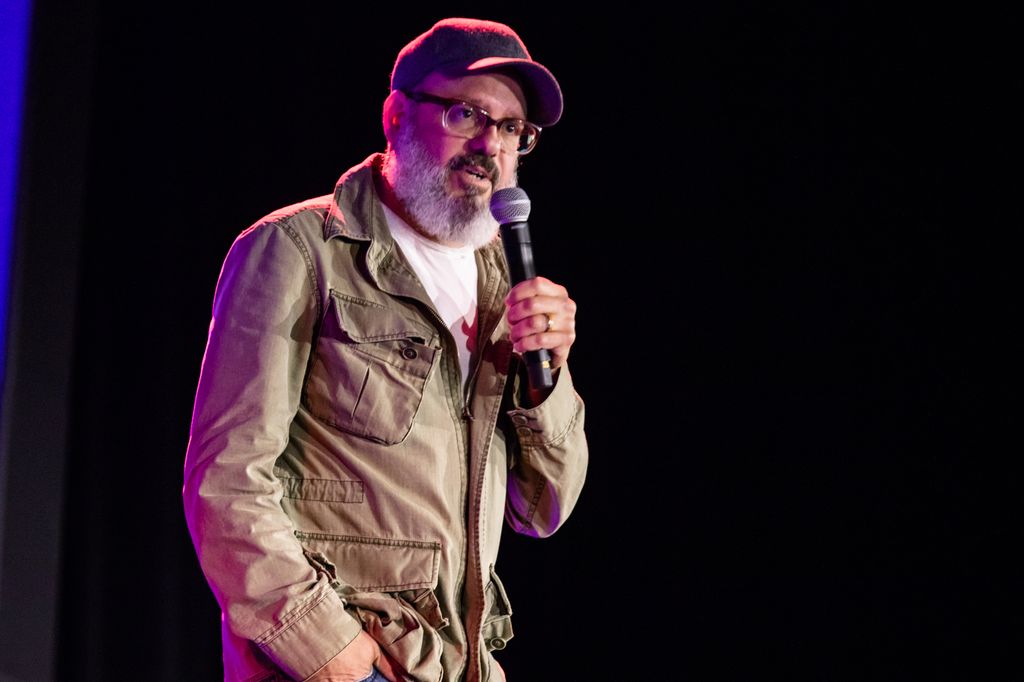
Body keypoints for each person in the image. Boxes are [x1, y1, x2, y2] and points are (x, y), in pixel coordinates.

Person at [182, 17, 589, 682]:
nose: (491, 144)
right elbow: (225, 481)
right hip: (336, 660)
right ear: (397, 113)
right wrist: (326, 649)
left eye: (513, 128)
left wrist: (548, 378)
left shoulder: (503, 288)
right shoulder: (301, 250)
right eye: (467, 114)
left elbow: (543, 509)